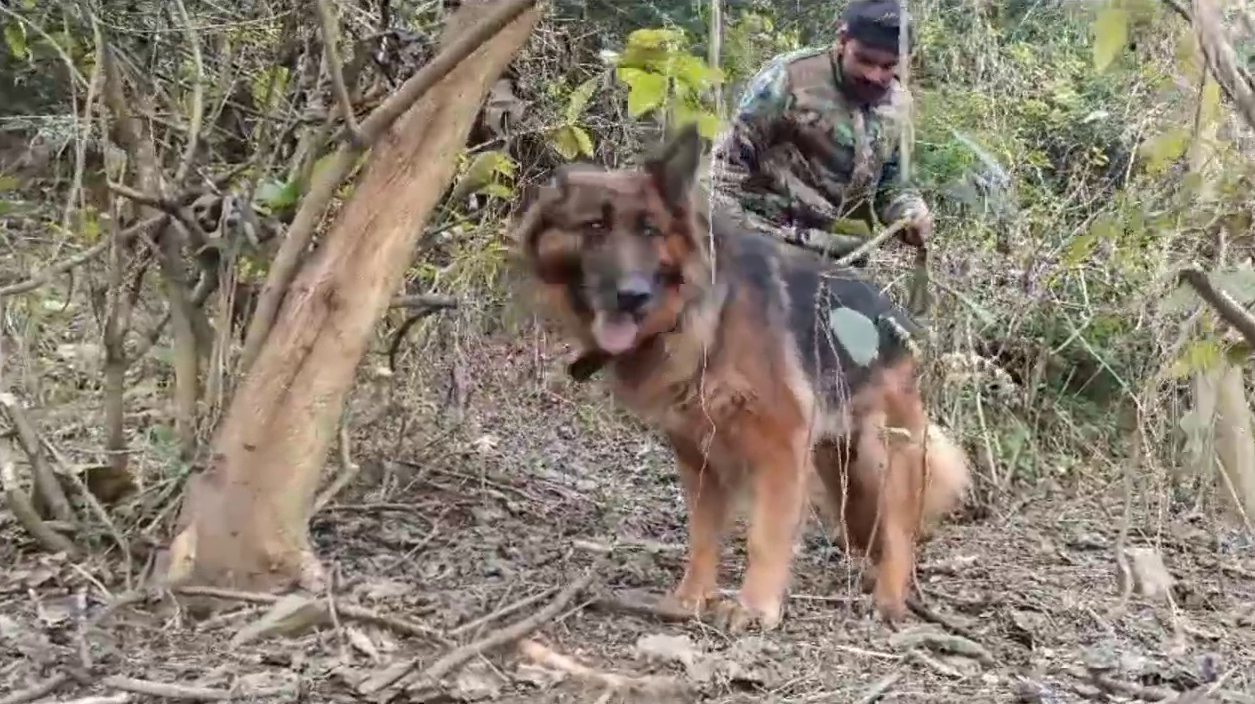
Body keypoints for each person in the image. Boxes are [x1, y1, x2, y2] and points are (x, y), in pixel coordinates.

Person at [710, 0, 932, 262]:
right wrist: (732, 240)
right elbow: (724, 168)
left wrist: (909, 212)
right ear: (842, 40)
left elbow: (893, 182)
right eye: (864, 60)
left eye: (888, 66)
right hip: (771, 243)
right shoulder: (790, 79)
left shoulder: (899, 104)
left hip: (843, 259)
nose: (874, 75)